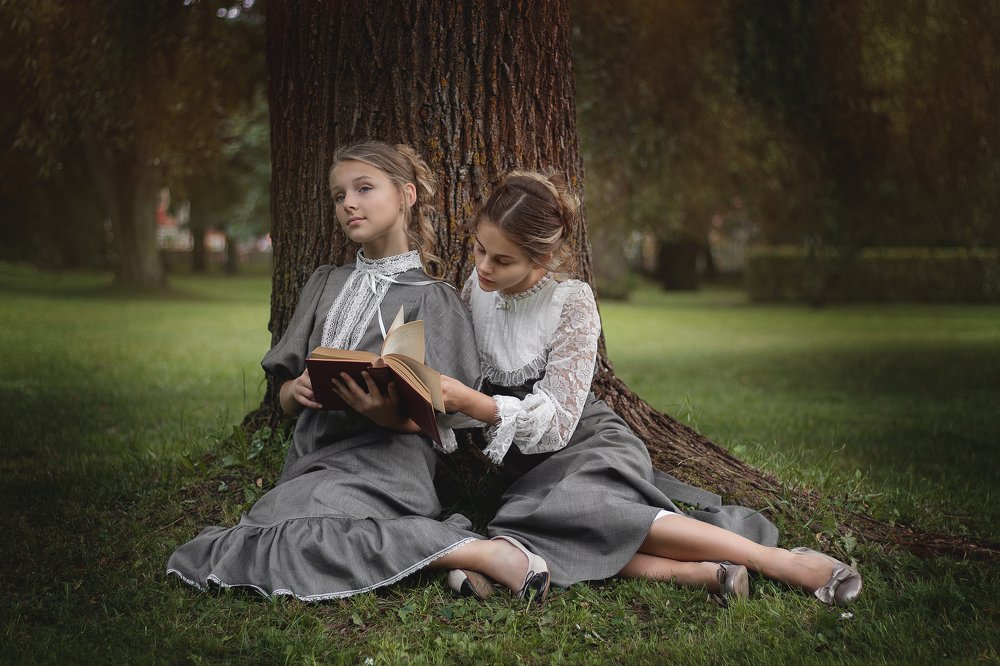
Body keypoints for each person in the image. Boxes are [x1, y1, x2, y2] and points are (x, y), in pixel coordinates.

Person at [439, 170, 862, 606]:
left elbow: (556, 425)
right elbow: (466, 376)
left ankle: (775, 561)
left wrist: (474, 403)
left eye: (502, 260)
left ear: (540, 260)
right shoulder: (477, 290)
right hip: (525, 470)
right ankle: (698, 575)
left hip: (585, 444)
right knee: (533, 529)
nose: (484, 267)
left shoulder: (571, 302)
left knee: (583, 511)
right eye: (479, 249)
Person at [167, 143, 549, 602]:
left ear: (406, 194)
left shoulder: (433, 298)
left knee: (306, 536)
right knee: (270, 531)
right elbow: (282, 396)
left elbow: (447, 418)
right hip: (312, 461)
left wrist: (387, 414)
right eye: (338, 195)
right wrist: (297, 389)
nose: (348, 203)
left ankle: (488, 555)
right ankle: (453, 553)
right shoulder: (324, 283)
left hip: (388, 465)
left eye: (364, 188)